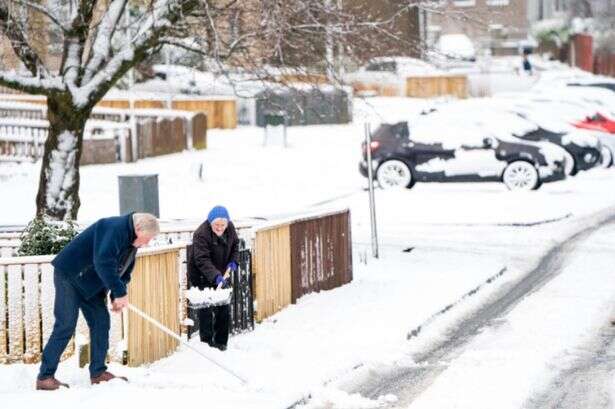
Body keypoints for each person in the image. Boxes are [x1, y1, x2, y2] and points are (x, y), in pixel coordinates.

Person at [36, 213, 159, 391]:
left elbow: (124, 271)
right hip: (70, 275)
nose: (147, 243)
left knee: (101, 322)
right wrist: (119, 292)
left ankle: (98, 372)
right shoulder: (115, 228)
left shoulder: (132, 240)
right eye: (147, 238)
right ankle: (45, 376)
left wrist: (115, 296)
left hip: (90, 282)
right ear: (139, 229)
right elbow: (103, 261)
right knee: (66, 325)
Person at [189, 205, 239, 351]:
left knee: (223, 308)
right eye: (216, 225)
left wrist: (234, 261)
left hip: (221, 274)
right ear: (210, 222)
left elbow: (235, 245)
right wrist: (215, 276)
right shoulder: (201, 234)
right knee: (206, 310)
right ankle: (207, 345)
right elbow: (202, 260)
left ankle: (221, 344)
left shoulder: (230, 228)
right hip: (202, 275)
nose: (220, 228)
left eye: (223, 225)